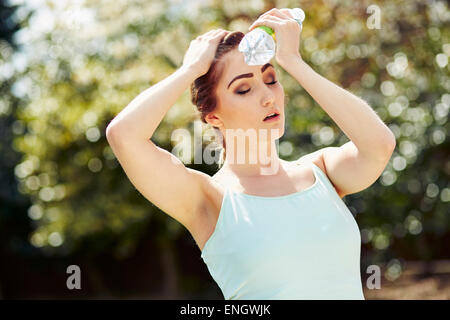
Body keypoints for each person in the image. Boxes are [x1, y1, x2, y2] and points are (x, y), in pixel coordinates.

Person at [106, 8, 396, 299]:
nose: (269, 96)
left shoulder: (322, 171)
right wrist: (190, 70)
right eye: (243, 89)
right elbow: (124, 136)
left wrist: (293, 61)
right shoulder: (208, 199)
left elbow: (379, 145)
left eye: (271, 79)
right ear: (214, 117)